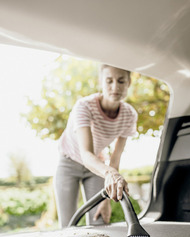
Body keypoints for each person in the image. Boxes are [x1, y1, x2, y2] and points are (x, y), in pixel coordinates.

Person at [54, 64, 138, 228]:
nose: (115, 87)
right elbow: (86, 154)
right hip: (69, 161)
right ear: (101, 82)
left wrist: (107, 197)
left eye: (121, 81)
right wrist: (110, 174)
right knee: (68, 225)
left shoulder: (129, 114)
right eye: (109, 81)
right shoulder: (84, 106)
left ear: (128, 83)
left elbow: (116, 157)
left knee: (99, 221)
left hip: (97, 167)